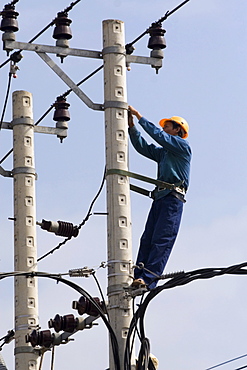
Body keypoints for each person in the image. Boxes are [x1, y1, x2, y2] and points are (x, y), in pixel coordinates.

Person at [128, 105, 192, 289]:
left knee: (162, 239)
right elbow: (144, 148)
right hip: (160, 198)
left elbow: (159, 136)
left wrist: (139, 116)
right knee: (148, 238)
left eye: (167, 126)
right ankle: (138, 275)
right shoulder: (165, 152)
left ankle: (149, 278)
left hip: (173, 199)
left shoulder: (182, 146)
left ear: (177, 129)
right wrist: (132, 127)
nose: (164, 129)